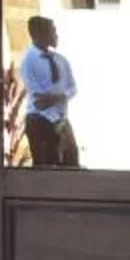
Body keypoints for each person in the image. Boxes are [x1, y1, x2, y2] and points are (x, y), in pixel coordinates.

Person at [20, 16, 79, 167]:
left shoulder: (61, 60)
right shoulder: (29, 61)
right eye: (52, 31)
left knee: (72, 163)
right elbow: (39, 99)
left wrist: (60, 97)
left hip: (62, 120)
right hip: (40, 121)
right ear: (40, 34)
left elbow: (72, 88)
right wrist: (59, 98)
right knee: (47, 167)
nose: (56, 35)